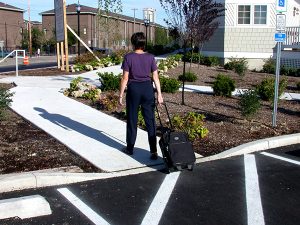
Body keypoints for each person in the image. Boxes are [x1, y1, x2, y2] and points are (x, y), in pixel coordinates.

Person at [119, 32, 163, 160]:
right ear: (144, 43)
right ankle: (153, 151)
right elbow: (155, 77)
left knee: (132, 119)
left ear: (133, 43)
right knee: (150, 121)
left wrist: (120, 95)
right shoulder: (150, 57)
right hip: (148, 90)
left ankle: (130, 148)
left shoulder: (128, 57)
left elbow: (125, 78)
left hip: (134, 91)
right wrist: (159, 94)